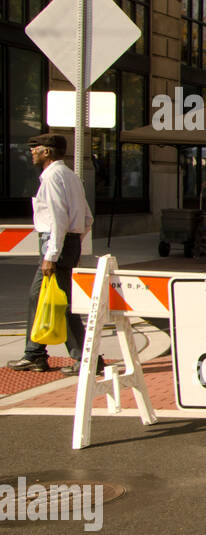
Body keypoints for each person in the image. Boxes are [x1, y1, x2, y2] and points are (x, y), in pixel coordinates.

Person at [7, 134, 97, 376]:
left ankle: (84, 358)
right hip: (66, 243)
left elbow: (58, 219)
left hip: (55, 244)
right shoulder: (71, 177)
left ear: (47, 152)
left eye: (34, 148)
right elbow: (87, 218)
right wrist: (73, 243)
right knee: (42, 298)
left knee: (59, 302)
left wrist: (52, 254)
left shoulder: (52, 178)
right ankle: (35, 354)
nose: (31, 152)